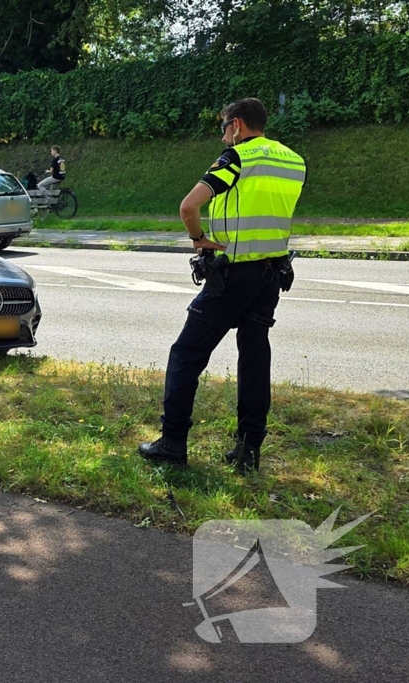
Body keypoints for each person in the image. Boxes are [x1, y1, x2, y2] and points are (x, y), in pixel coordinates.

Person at [137, 97, 306, 474]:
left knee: (186, 354)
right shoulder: (294, 161)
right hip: (271, 276)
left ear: (238, 125)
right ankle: (248, 451)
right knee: (255, 360)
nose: (223, 137)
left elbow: (188, 207)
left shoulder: (237, 158)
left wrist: (199, 239)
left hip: (232, 276)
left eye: (224, 128)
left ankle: (172, 443)